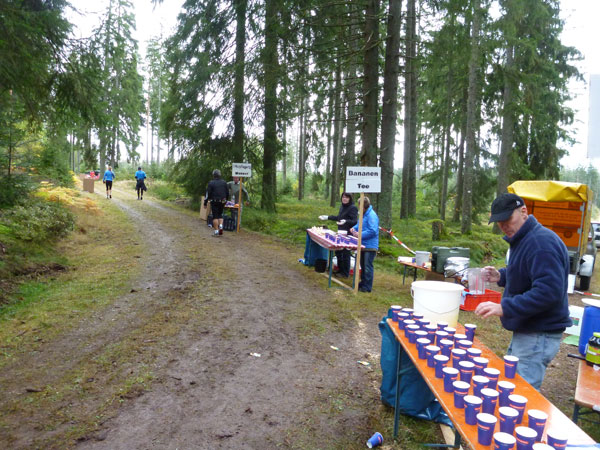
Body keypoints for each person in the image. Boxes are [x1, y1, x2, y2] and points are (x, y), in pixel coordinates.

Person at [475, 193, 571, 390]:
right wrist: (501, 276)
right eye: (499, 221)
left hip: (539, 333)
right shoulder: (524, 238)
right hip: (528, 329)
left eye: (507, 219)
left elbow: (548, 292)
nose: (503, 226)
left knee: (520, 393)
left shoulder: (541, 243)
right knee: (512, 384)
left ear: (524, 212)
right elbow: (527, 273)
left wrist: (504, 307)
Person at [318, 192, 358, 278]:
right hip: (340, 232)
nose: (344, 199)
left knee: (345, 253)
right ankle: (340, 269)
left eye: (346, 197)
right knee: (338, 251)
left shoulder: (353, 208)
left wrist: (346, 221)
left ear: (350, 199)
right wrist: (327, 217)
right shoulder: (342, 206)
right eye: (343, 197)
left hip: (348, 234)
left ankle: (345, 273)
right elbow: (338, 218)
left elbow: (355, 221)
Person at [349, 196, 379, 292]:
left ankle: (367, 287)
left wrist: (360, 234)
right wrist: (354, 228)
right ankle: (363, 283)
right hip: (362, 244)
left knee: (367, 266)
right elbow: (359, 224)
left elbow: (373, 231)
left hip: (370, 246)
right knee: (362, 265)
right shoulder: (364, 214)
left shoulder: (371, 215)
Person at [204, 169, 230, 236]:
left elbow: (208, 193)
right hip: (223, 201)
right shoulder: (224, 182)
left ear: (213, 175)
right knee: (220, 214)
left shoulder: (211, 183)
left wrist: (205, 203)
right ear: (220, 175)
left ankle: (216, 231)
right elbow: (227, 193)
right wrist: (226, 200)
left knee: (215, 216)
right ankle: (220, 226)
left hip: (214, 201)